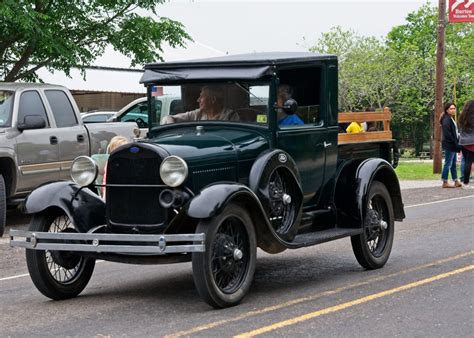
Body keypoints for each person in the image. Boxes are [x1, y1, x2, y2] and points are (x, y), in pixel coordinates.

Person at [162, 86, 239, 124]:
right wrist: (171, 124)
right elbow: (168, 117)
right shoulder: (197, 114)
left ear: (213, 100)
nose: (198, 100)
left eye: (201, 97)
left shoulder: (230, 115)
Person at [440, 103, 462, 188]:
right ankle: (445, 181)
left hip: (453, 144)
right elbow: (447, 134)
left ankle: (456, 180)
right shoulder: (446, 119)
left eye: (454, 108)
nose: (453, 110)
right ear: (447, 110)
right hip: (450, 145)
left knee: (453, 164)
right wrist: (455, 143)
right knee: (448, 163)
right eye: (451, 109)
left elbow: (454, 132)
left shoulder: (450, 118)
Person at [458, 99, 474, 188]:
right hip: (472, 142)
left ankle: (464, 181)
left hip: (463, 142)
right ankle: (466, 183)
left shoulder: (462, 116)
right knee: (468, 162)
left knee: (466, 162)